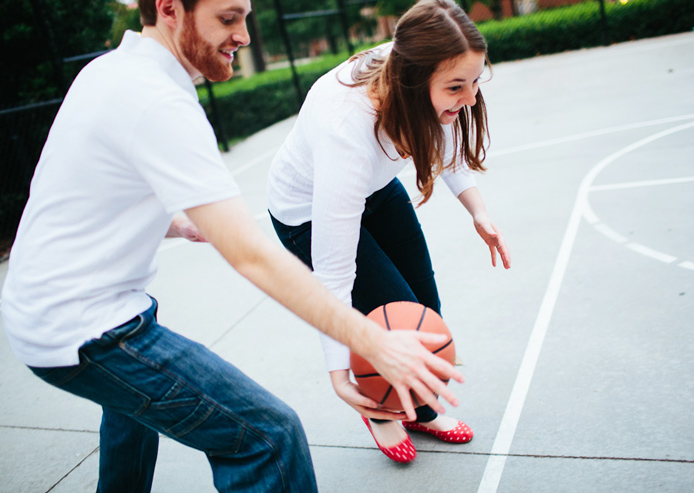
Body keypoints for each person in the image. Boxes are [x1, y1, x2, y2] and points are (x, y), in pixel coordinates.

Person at [0, 0, 464, 491]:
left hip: (54, 305)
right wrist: (370, 342)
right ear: (169, 9)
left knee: (130, 412)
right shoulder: (157, 99)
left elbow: (76, 196)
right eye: (228, 18)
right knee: (269, 438)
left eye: (245, 17)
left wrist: (172, 224)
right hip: (84, 325)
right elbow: (251, 255)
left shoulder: (109, 71)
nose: (243, 35)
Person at [267, 0, 511, 464]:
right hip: (308, 213)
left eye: (476, 81)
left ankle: (417, 408)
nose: (471, 97)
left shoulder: (417, 63)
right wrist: (339, 373)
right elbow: (334, 275)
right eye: (457, 86)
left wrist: (477, 210)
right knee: (391, 319)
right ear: (415, 84)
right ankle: (380, 410)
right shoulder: (347, 128)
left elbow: (448, 131)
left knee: (424, 310)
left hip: (373, 189)